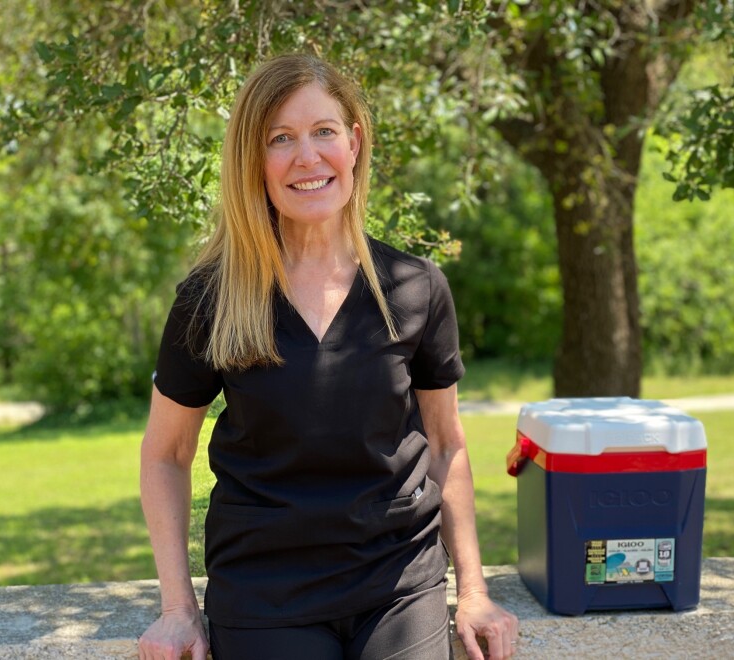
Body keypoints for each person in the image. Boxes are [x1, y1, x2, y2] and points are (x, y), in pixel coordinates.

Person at [137, 53, 519, 660]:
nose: (307, 157)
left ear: (354, 143)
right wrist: (177, 609)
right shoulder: (211, 300)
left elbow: (447, 446)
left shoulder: (415, 288)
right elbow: (165, 454)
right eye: (280, 139)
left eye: (324, 132)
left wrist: (473, 591)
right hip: (265, 592)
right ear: (252, 162)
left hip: (398, 581)